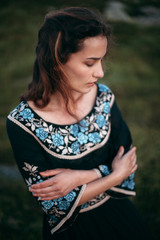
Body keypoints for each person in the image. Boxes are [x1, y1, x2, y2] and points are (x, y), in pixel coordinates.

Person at [7, 7, 154, 240]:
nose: (101, 73)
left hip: (121, 218)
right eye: (90, 63)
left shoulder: (104, 98)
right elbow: (55, 204)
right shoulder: (22, 123)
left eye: (102, 61)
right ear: (56, 61)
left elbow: (127, 167)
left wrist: (81, 176)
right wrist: (111, 175)